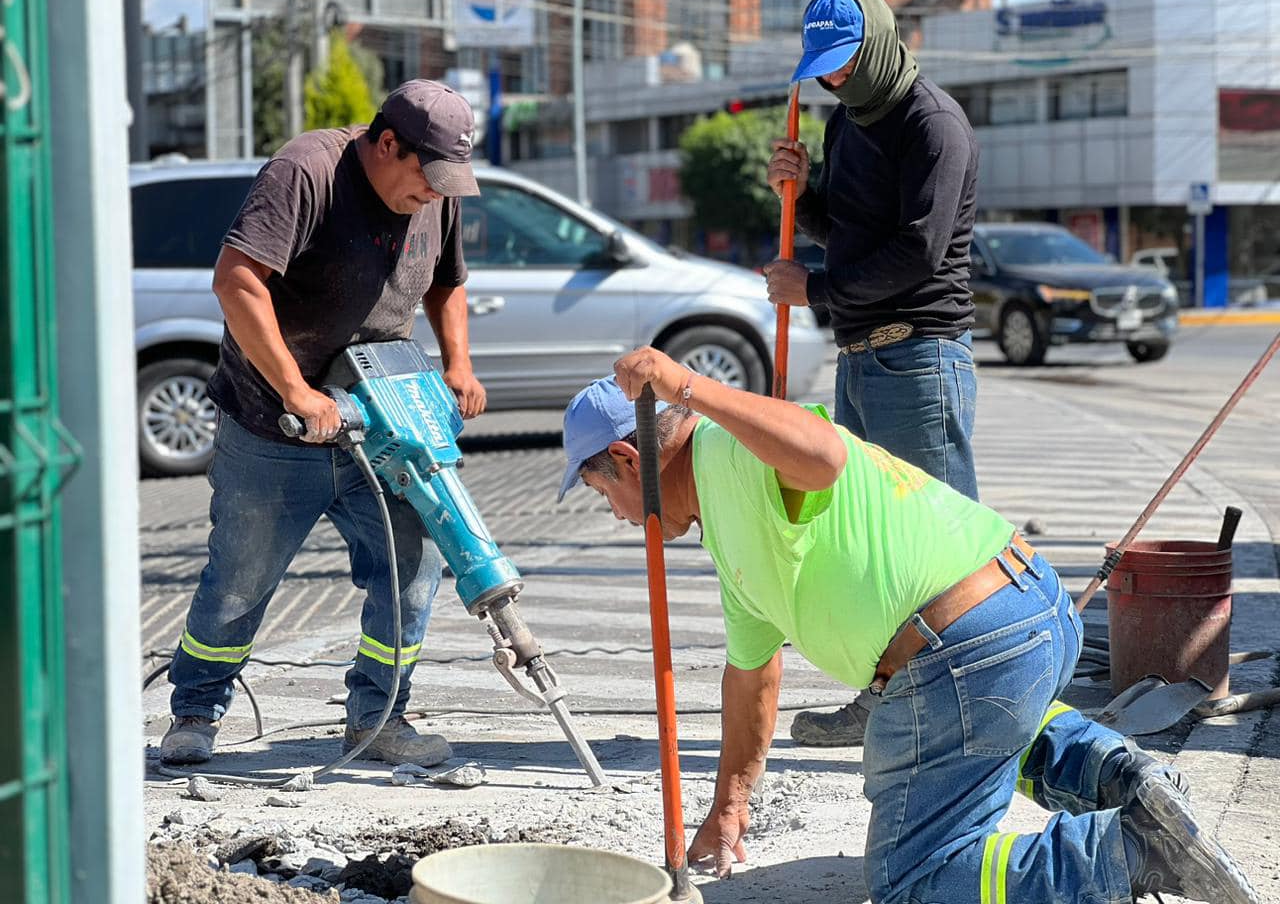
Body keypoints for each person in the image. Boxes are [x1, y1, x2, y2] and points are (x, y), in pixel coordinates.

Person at [556, 346, 1257, 904]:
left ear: (627, 459)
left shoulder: (729, 452)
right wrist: (729, 807)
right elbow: (751, 676)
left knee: (916, 881)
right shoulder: (727, 529)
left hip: (965, 648)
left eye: (602, 494)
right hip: (1023, 611)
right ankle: (1129, 780)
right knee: (980, 725)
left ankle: (1127, 852)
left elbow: (824, 454)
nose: (616, 515)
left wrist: (688, 387)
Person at [160, 79, 487, 768]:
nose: (432, 195)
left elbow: (446, 283)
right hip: (275, 426)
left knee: (415, 561)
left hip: (381, 421)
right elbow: (237, 279)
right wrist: (297, 391)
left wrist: (458, 363)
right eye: (424, 179)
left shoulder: (438, 192)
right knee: (241, 577)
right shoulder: (308, 172)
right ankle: (194, 713)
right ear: (387, 142)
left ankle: (379, 719)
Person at [765, 0, 983, 747]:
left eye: (844, 63)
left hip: (918, 358)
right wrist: (799, 195)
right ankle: (887, 697)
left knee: (941, 545)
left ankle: (967, 711)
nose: (832, 80)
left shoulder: (933, 125)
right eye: (822, 69)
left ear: (881, 42)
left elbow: (918, 253)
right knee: (873, 546)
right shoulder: (846, 123)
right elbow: (852, 231)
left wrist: (815, 289)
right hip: (860, 361)